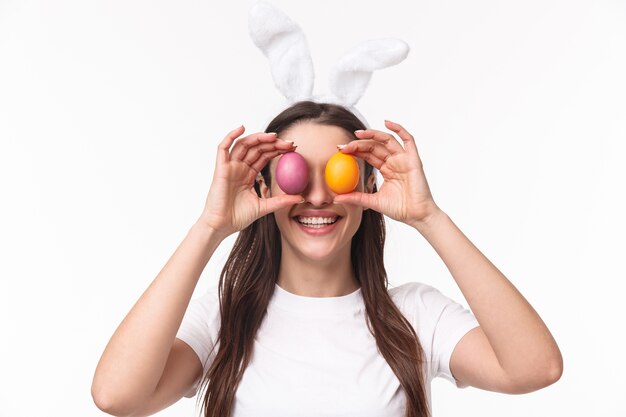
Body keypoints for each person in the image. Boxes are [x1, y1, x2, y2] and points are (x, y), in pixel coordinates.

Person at [91, 101, 563, 417]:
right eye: (297, 177)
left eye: (338, 177)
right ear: (265, 188)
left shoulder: (415, 316)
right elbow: (116, 396)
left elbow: (534, 368)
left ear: (368, 191)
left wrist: (428, 216)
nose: (317, 197)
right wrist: (210, 226)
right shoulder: (224, 318)